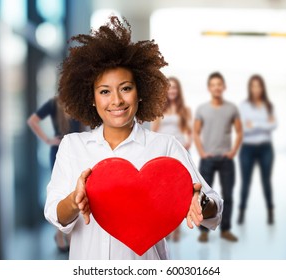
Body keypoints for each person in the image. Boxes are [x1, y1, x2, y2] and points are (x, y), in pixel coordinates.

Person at [44, 16, 223, 260]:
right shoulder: (73, 146)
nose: (116, 100)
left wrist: (200, 201)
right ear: (91, 98)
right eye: (105, 91)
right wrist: (75, 202)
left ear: (140, 93)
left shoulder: (165, 147)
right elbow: (55, 213)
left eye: (126, 88)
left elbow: (213, 205)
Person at [27, 96, 86, 252]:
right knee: (61, 192)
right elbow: (32, 121)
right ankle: (61, 235)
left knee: (77, 188)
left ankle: (67, 235)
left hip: (78, 151)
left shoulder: (78, 102)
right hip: (59, 150)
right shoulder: (53, 103)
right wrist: (47, 140)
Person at [194, 72, 242, 243]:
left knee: (228, 196)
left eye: (219, 84)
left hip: (226, 160)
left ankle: (226, 230)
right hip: (208, 159)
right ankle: (204, 231)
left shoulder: (231, 108)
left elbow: (239, 131)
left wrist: (233, 152)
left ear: (224, 87)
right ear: (209, 88)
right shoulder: (202, 109)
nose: (216, 87)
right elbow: (196, 132)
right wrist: (201, 152)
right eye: (213, 85)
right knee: (203, 197)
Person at [151, 76, 192, 241]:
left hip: (180, 153)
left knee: (179, 193)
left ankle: (177, 228)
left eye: (174, 87)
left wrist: (188, 143)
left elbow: (189, 131)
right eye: (169, 88)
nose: (172, 91)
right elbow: (154, 132)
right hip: (163, 154)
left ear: (178, 90)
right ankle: (166, 227)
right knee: (163, 193)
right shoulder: (158, 108)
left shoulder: (185, 110)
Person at [237, 74, 277, 225]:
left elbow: (274, 125)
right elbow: (245, 129)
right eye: (253, 86)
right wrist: (264, 124)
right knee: (246, 182)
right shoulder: (244, 106)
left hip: (266, 148)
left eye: (258, 86)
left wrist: (256, 125)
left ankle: (270, 211)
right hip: (248, 148)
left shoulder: (268, 105)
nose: (256, 89)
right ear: (250, 88)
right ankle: (241, 212)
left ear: (262, 88)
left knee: (266, 181)